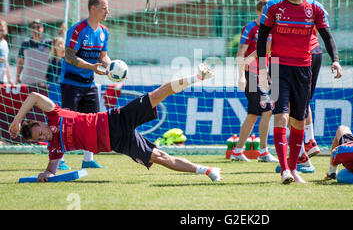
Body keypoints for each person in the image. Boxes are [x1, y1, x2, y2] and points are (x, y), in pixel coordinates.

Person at [8, 63, 221, 183]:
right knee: (161, 157)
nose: (43, 136)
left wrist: (16, 122)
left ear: (41, 123)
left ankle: (197, 76)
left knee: (157, 94)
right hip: (118, 142)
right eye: (39, 139)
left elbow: (34, 96)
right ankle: (208, 170)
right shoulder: (55, 148)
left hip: (115, 118)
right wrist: (46, 175)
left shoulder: (54, 114)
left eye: (40, 132)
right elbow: (52, 171)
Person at [256, 0, 342, 184]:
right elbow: (262, 36)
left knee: (298, 121)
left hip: (303, 69)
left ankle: (294, 169)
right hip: (278, 67)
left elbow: (327, 37)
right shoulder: (274, 7)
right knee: (281, 116)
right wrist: (263, 67)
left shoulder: (315, 8)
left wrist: (336, 61)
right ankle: (285, 169)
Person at [260, 0, 324, 171]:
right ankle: (307, 145)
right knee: (289, 110)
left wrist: (256, 58)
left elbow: (271, 38)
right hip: (298, 57)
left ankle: (302, 153)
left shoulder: (277, 2)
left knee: (292, 109)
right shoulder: (282, 1)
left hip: (301, 57)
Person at [58, 0, 112, 170]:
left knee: (93, 121)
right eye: (104, 8)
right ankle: (60, 160)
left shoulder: (104, 32)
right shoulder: (78, 30)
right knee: (67, 121)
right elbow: (69, 57)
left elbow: (102, 57)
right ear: (93, 9)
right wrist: (92, 67)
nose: (107, 11)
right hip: (71, 82)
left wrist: (112, 66)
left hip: (89, 83)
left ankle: (88, 159)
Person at [232, 0, 277, 163]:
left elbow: (269, 52)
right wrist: (241, 76)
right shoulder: (251, 28)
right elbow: (240, 54)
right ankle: (264, 152)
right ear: (259, 12)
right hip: (250, 74)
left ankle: (237, 151)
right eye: (266, 12)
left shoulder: (272, 28)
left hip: (264, 74)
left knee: (253, 114)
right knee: (267, 110)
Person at [16, 19, 52, 88]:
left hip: (42, 83)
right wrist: (17, 77)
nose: (35, 29)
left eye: (38, 27)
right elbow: (20, 61)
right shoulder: (25, 43)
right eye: (33, 27)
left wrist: (60, 33)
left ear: (43, 29)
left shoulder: (48, 43)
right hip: (26, 82)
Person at [0, 20, 14, 85]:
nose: (1, 32)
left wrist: (10, 79)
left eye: (2, 30)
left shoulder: (5, 43)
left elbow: (6, 62)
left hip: (3, 78)